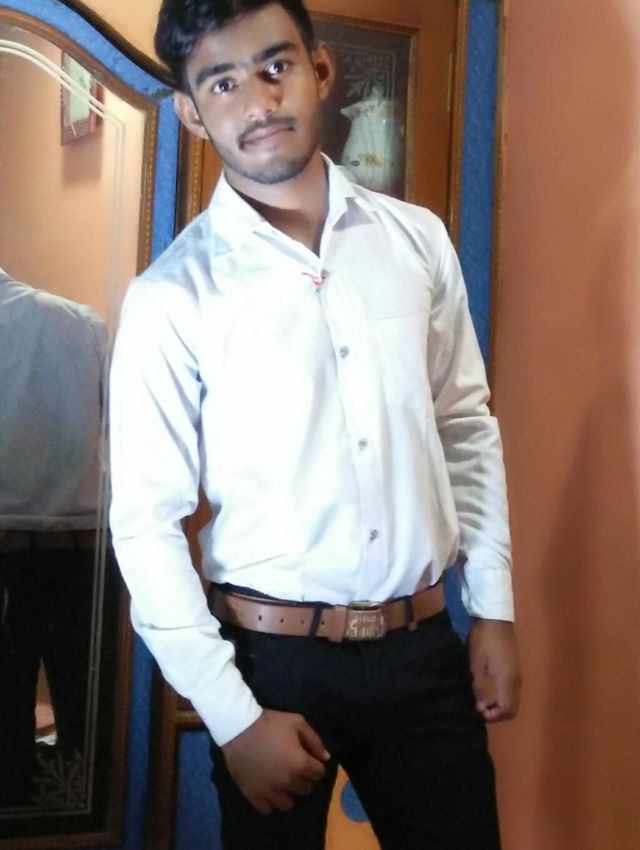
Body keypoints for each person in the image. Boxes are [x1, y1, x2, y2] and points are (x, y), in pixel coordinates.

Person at [109, 0, 522, 847]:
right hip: (271, 668)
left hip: (422, 650)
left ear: (320, 68)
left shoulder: (417, 243)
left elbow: (463, 426)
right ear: (191, 112)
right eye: (223, 83)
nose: (259, 101)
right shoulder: (171, 298)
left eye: (276, 66)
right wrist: (232, 719)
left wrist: (493, 605)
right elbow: (145, 524)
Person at [0, 268, 107, 806]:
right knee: (89, 710)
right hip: (86, 550)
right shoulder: (82, 322)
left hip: (9, 548)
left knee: (4, 723)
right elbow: (120, 430)